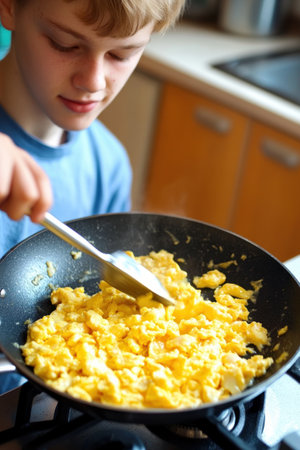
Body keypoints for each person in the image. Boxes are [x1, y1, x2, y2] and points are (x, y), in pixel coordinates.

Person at [0, 0, 186, 393]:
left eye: (122, 53)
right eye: (65, 44)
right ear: (9, 6)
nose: (93, 81)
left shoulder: (109, 165)